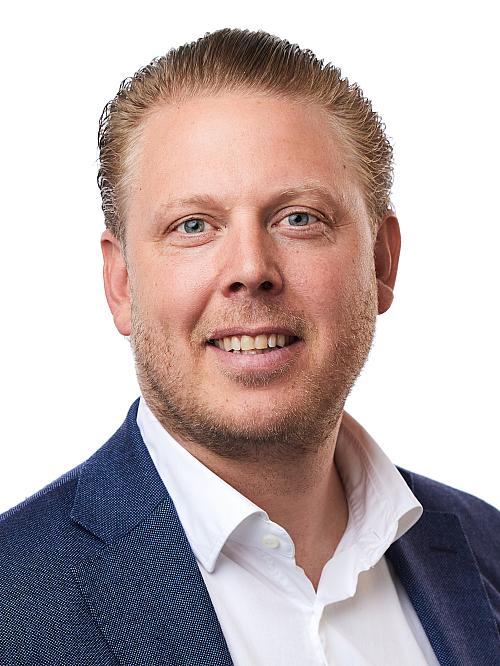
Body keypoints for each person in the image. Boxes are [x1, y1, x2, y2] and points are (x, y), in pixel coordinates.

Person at [0, 28, 498, 666]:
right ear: (121, 283)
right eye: (193, 225)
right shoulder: (16, 602)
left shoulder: (487, 551)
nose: (250, 268)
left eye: (299, 218)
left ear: (381, 263)